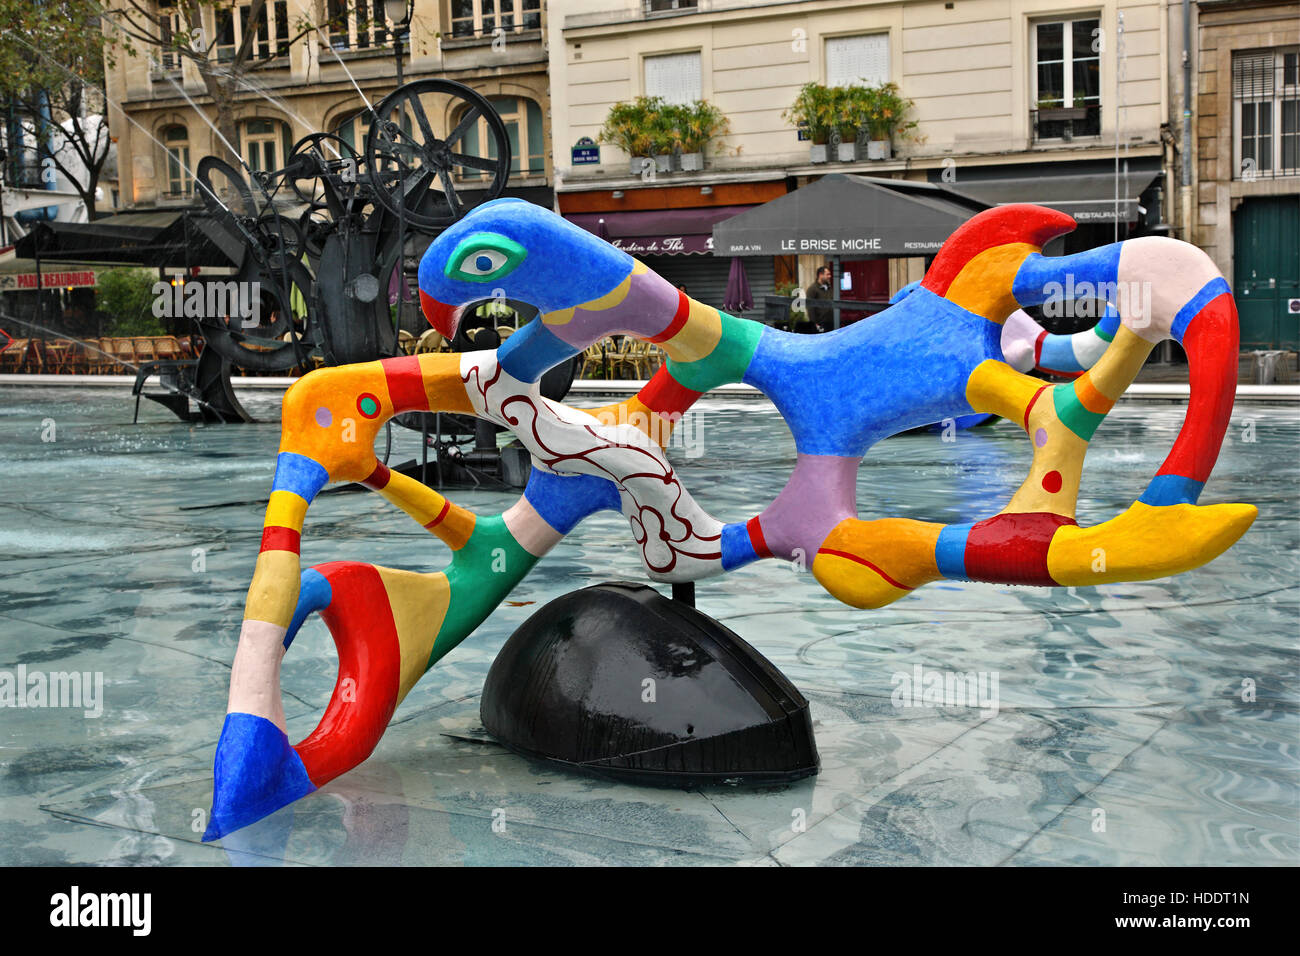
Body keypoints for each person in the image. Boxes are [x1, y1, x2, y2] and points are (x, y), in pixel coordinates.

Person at [802, 265, 833, 332]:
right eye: (827, 274)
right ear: (820, 275)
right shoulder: (812, 289)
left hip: (831, 323)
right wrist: (814, 324)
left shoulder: (829, 287)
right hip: (820, 324)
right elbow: (810, 308)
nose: (830, 276)